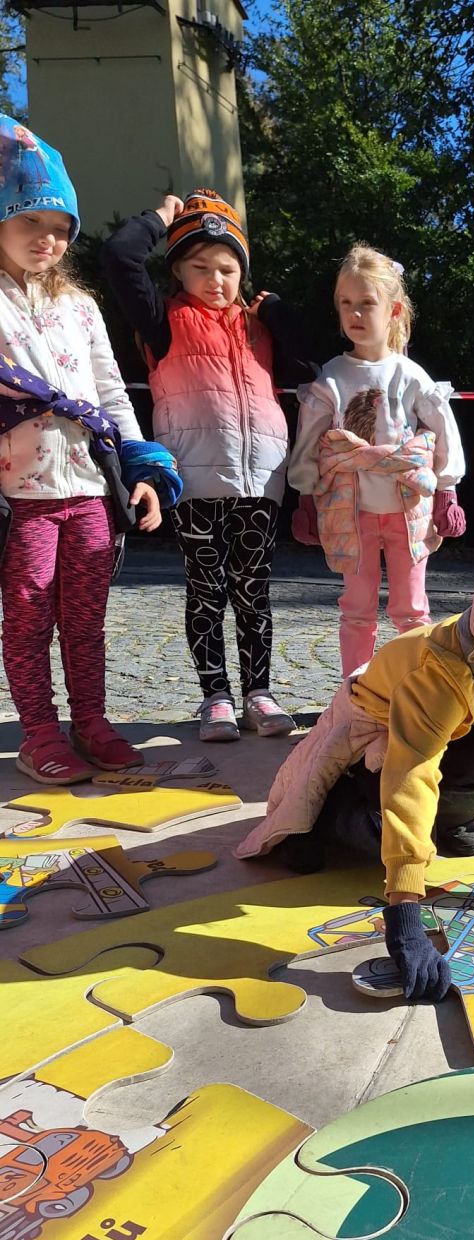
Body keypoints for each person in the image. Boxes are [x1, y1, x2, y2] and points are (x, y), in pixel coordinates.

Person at [236, 528, 474, 1001]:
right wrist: (405, 919)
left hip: (423, 732)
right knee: (372, 832)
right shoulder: (438, 671)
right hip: (363, 746)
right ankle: (326, 823)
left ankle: (440, 822)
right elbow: (410, 776)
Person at [0, 116, 173, 786]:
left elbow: (111, 391)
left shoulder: (81, 307)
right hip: (23, 496)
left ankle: (91, 722)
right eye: (29, 221)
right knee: (27, 616)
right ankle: (38, 733)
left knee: (86, 619)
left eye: (60, 227)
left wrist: (141, 467)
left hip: (91, 490)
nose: (46, 238)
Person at [102, 189, 310, 743]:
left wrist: (277, 310)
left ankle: (259, 694)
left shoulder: (257, 325)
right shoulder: (163, 320)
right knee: (206, 590)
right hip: (194, 480)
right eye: (200, 267)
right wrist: (161, 217)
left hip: (260, 481)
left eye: (228, 269)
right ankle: (216, 697)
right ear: (177, 269)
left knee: (254, 591)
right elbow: (120, 258)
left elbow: (312, 361)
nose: (216, 279)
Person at [287, 244, 466, 677]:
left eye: (367, 303)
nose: (355, 313)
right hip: (352, 514)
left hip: (409, 512)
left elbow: (444, 432)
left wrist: (447, 490)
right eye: (346, 303)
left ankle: (415, 687)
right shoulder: (331, 377)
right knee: (356, 608)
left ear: (393, 310)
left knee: (412, 608)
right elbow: (309, 442)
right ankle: (355, 692)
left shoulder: (411, 375)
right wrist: (306, 496)